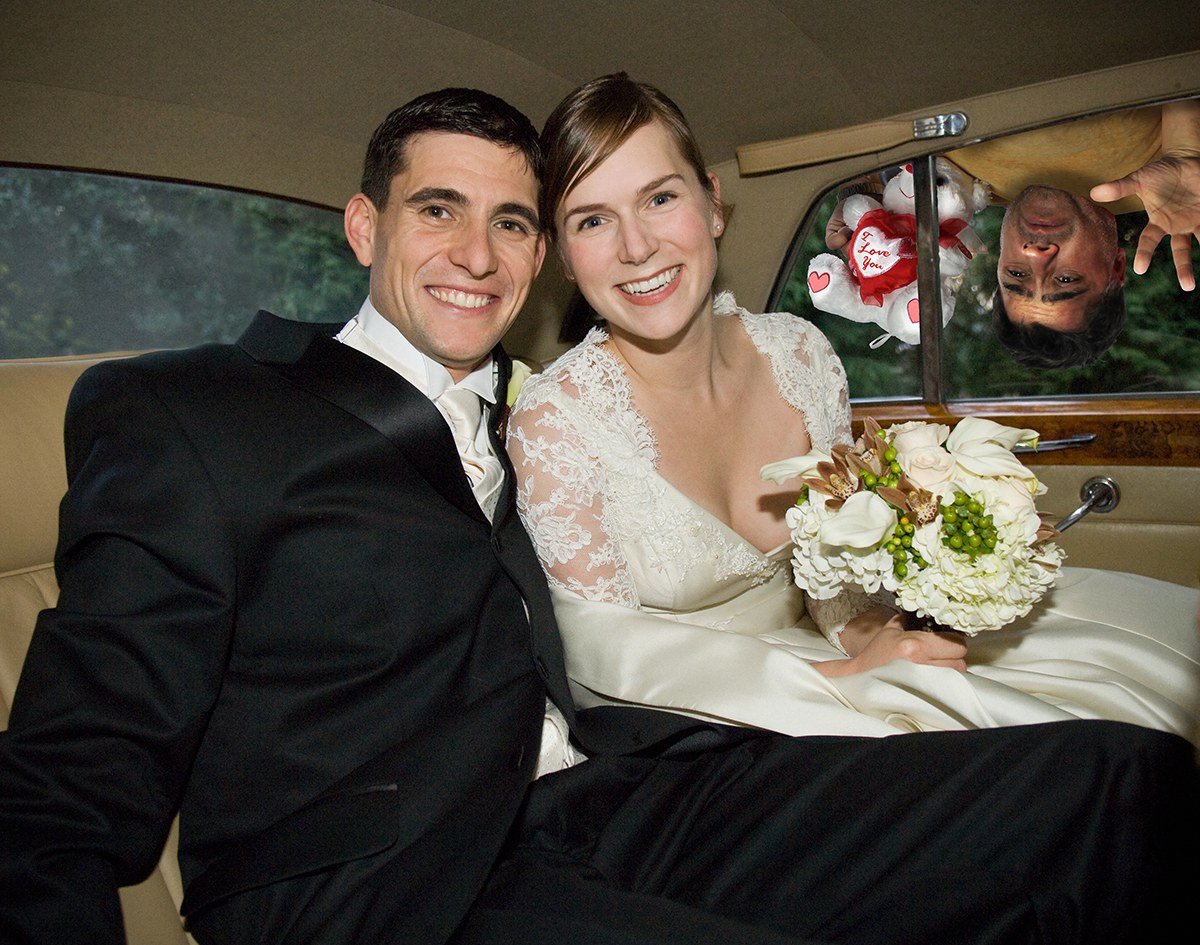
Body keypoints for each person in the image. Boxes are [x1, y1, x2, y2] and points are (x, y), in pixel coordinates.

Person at [1, 84, 1196, 945]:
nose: (477, 252)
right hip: (385, 879)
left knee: (1117, 784)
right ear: (364, 228)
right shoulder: (197, 411)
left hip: (614, 789)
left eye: (513, 221)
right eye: (437, 210)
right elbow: (77, 758)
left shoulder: (533, 410)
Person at [509, 72, 1199, 759]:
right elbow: (601, 650)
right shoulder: (554, 422)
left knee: (1140, 691)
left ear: (712, 205)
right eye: (592, 219)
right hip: (702, 712)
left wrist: (867, 635)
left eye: (660, 198)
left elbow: (830, 572)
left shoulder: (801, 353)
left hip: (829, 650)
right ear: (563, 257)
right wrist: (830, 676)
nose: (636, 247)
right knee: (1053, 767)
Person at [951, 98, 1200, 367]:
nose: (1034, 254)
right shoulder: (1170, 171)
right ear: (1116, 266)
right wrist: (1186, 148)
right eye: (1066, 279)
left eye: (1018, 274)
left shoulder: (955, 180)